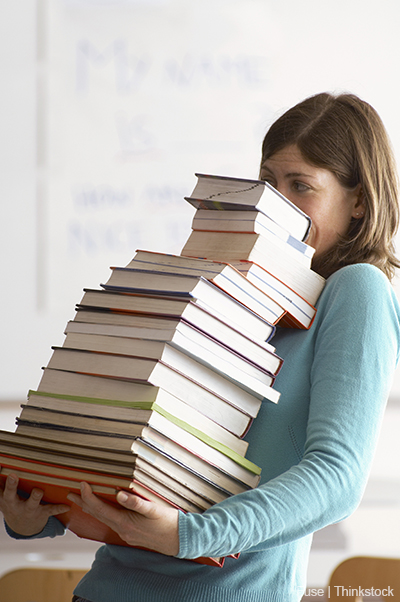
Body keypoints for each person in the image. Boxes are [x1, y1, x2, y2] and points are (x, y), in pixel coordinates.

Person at [1, 92, 400, 602]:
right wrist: (36, 516)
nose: (276, 203)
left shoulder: (357, 289)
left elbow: (337, 477)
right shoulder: (239, 286)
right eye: (268, 182)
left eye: (301, 186)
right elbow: (145, 455)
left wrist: (191, 536)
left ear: (359, 202)